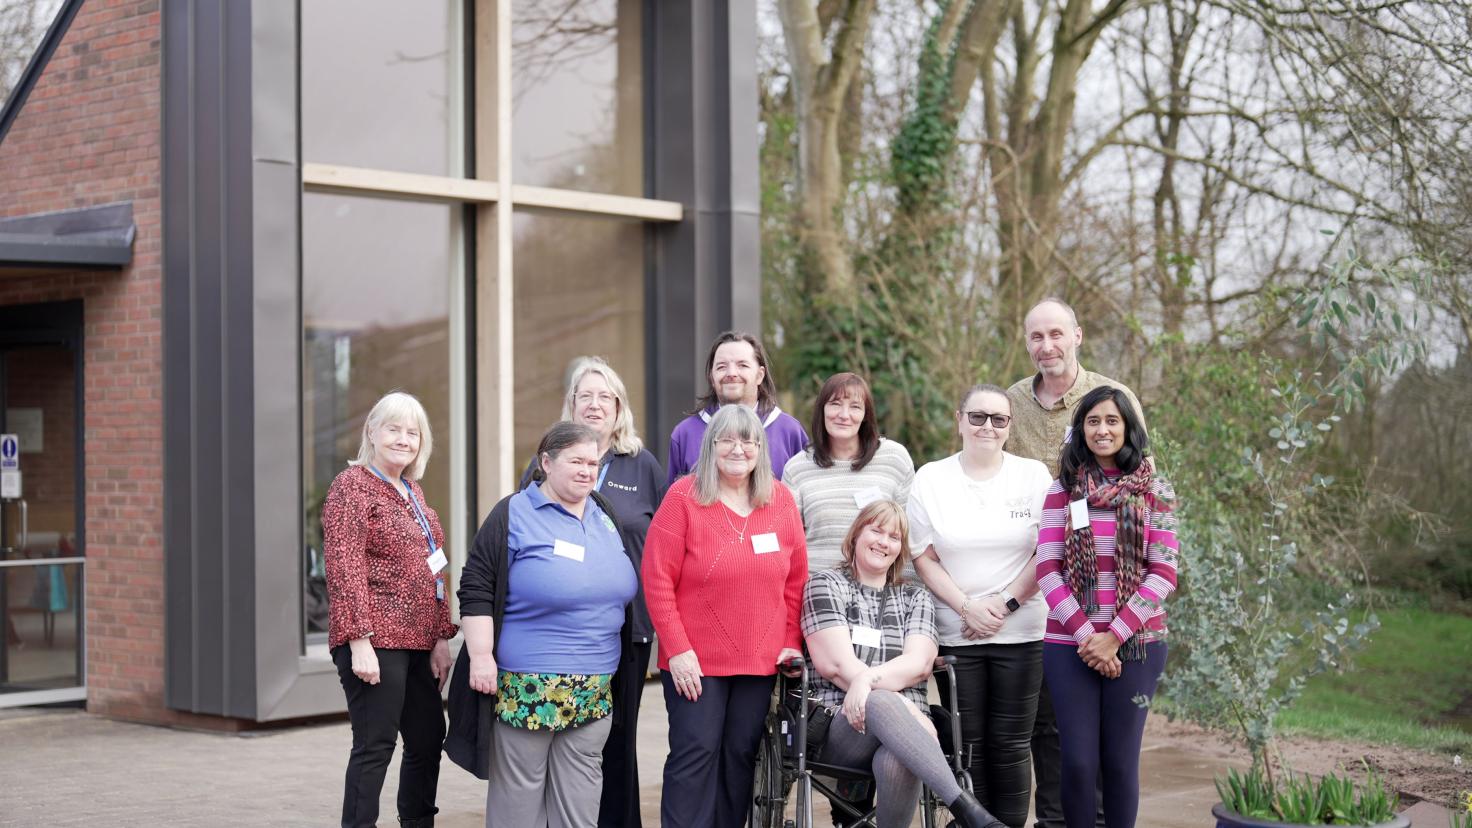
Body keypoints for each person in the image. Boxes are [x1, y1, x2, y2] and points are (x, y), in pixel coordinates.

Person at [448, 422, 640, 828]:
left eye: (593, 462)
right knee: (520, 802)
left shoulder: (603, 512)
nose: (587, 470)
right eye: (577, 461)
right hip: (528, 688)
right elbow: (477, 585)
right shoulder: (514, 512)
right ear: (546, 462)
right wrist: (481, 656)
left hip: (595, 689)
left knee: (581, 805)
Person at [1004, 297, 1145, 828]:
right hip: (1036, 574)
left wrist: (1111, 629)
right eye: (1037, 336)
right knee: (1049, 721)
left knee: (1107, 735)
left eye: (1057, 334)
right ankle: (1057, 821)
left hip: (1108, 588)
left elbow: (1143, 482)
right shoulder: (1013, 402)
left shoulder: (1110, 396)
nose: (1048, 346)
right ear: (1027, 342)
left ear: (1078, 336)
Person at [642, 404, 809, 828]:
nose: (739, 448)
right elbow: (657, 578)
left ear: (761, 448)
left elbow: (796, 582)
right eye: (727, 439)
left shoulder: (781, 500)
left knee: (739, 758)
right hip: (694, 661)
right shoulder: (683, 497)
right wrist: (677, 649)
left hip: (760, 660)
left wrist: (791, 640)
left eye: (748, 440)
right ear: (710, 446)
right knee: (695, 754)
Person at [518, 357, 665, 828]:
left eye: (606, 396)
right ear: (572, 405)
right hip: (554, 632)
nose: (596, 404)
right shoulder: (545, 461)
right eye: (587, 396)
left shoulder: (642, 466)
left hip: (627, 630)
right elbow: (518, 528)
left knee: (617, 740)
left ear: (619, 407)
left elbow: (664, 544)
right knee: (561, 740)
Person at [803, 501, 1006, 828]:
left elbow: (919, 665)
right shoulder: (825, 585)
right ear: (856, 534)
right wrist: (895, 701)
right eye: (876, 530)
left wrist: (867, 680)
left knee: (898, 756)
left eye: (894, 537)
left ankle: (969, 815)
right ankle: (968, 811)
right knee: (881, 700)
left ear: (900, 549)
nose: (884, 541)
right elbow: (836, 665)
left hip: (909, 737)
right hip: (843, 725)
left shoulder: (915, 596)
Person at [908, 384, 1054, 828]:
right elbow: (922, 556)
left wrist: (1004, 604)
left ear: (1010, 426)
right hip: (956, 633)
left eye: (999, 419)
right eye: (977, 417)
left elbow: (1046, 552)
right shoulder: (931, 478)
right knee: (966, 746)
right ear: (959, 420)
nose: (987, 427)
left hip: (1022, 632)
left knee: (1010, 745)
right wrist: (967, 606)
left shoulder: (1033, 477)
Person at [1035, 386, 1178, 828]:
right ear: (1080, 430)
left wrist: (1113, 636)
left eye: (1112, 421)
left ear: (1128, 428)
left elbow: (1165, 572)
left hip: (1137, 646)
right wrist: (1088, 638)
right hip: (1069, 646)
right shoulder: (1063, 490)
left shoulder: (1157, 490)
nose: (1102, 430)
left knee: (1118, 763)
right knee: (1077, 764)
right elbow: (1047, 568)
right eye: (1093, 421)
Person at [323, 391, 456, 828]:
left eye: (412, 432)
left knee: (427, 736)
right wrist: (359, 641)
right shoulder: (353, 485)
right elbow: (345, 565)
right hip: (376, 641)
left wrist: (441, 637)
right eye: (394, 429)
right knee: (375, 744)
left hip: (419, 643)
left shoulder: (413, 492)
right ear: (372, 433)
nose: (404, 438)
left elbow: (437, 567)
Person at [782, 372, 915, 574]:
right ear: (822, 410)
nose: (844, 415)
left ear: (865, 415)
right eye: (835, 404)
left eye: (855, 407)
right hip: (818, 592)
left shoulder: (894, 459)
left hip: (880, 592)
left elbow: (908, 534)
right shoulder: (797, 469)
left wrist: (905, 591)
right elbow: (788, 543)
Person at [665, 330, 809, 485]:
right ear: (712, 377)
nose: (732, 373)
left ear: (760, 375)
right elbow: (674, 501)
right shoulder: (685, 434)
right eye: (721, 367)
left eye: (742, 365)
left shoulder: (789, 431)